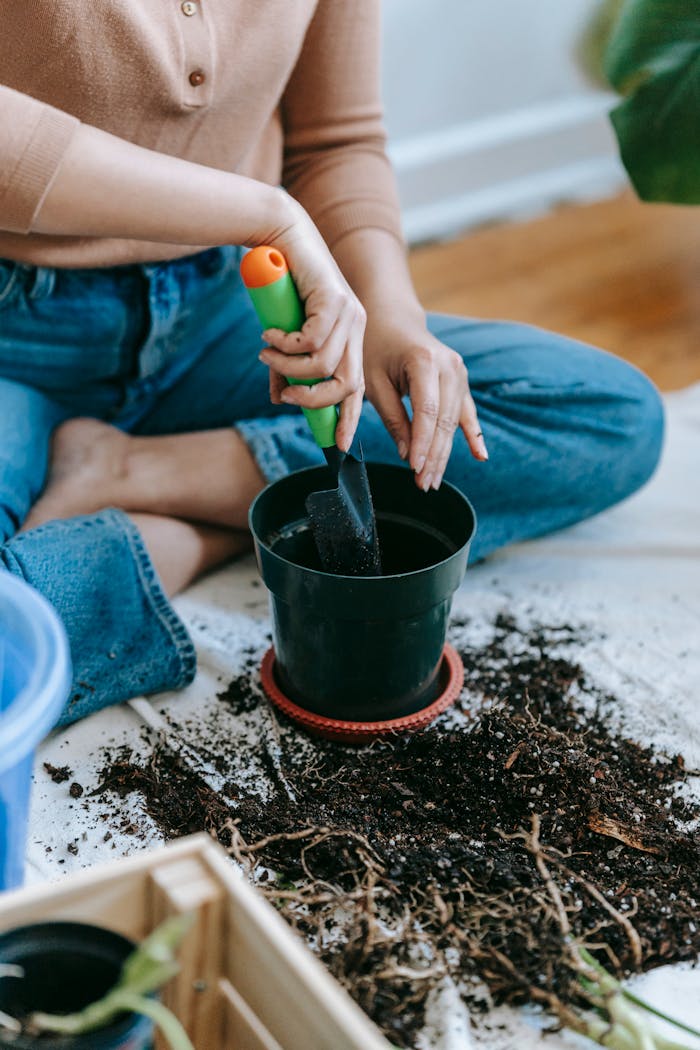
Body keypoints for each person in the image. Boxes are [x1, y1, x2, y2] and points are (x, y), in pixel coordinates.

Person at [0, 2, 663, 727]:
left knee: (609, 414)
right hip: (19, 338)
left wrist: (391, 315)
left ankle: (142, 477)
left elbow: (335, 140)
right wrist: (268, 213)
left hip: (236, 312)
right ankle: (217, 528)